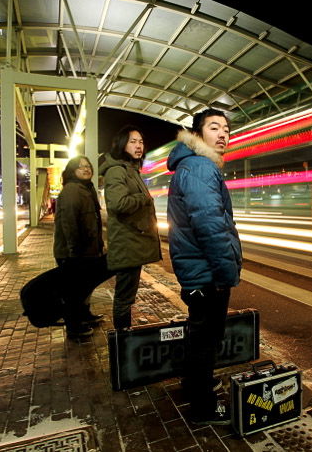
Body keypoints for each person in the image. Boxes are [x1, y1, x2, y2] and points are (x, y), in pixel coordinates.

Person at [166, 108, 243, 425]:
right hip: (207, 274)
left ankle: (195, 389)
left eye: (226, 129)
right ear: (197, 135)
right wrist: (226, 275)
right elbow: (210, 227)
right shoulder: (199, 167)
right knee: (206, 340)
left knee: (200, 336)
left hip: (197, 272)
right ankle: (204, 407)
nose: (223, 134)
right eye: (215, 128)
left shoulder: (194, 166)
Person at [99, 126, 161, 330]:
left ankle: (124, 337)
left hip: (132, 241)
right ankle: (122, 342)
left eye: (141, 142)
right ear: (121, 143)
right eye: (133, 141)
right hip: (127, 243)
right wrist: (143, 197)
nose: (139, 146)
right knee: (124, 298)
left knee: (127, 295)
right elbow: (118, 204)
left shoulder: (130, 169)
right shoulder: (117, 170)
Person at [53, 156, 108, 339]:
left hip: (86, 251)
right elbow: (69, 223)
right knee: (73, 292)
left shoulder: (86, 189)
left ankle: (85, 316)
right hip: (73, 253)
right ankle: (74, 328)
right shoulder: (72, 190)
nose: (86, 169)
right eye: (80, 167)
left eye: (88, 166)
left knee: (84, 287)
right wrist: (73, 252)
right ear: (72, 171)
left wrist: (99, 245)